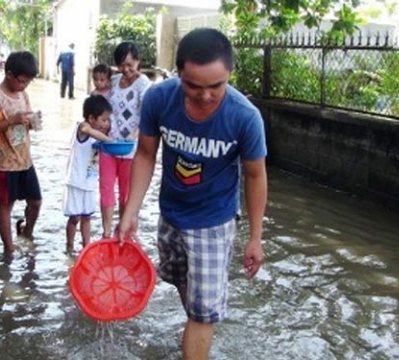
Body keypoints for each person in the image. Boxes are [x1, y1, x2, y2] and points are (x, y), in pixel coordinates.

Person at [116, 28, 268, 359]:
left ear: (230, 74)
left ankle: (199, 331)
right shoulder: (158, 99)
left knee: (201, 314)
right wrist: (130, 212)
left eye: (216, 86)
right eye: (193, 85)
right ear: (178, 72)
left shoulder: (245, 117)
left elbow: (255, 175)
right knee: (181, 284)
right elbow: (145, 154)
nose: (205, 96)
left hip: (214, 221)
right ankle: (199, 331)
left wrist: (255, 237)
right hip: (170, 213)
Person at [0, 51, 42, 254]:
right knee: (6, 204)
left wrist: (32, 121)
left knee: (36, 202)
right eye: (22, 81)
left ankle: (26, 232)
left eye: (28, 82)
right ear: (9, 74)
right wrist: (10, 121)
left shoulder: (23, 94)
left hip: (24, 159)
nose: (24, 86)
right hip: (3, 163)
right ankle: (9, 249)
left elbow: (24, 120)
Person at [99, 41, 151, 238]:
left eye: (130, 64)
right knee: (105, 190)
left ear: (138, 61)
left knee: (126, 194)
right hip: (108, 144)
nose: (126, 69)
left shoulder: (144, 85)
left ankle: (124, 231)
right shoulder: (113, 81)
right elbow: (98, 103)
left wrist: (133, 135)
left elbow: (148, 116)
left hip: (131, 148)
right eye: (121, 65)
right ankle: (106, 234)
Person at [63, 95, 113, 252]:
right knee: (74, 218)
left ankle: (86, 247)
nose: (106, 124)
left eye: (108, 120)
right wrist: (109, 140)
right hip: (76, 181)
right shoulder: (83, 127)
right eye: (104, 120)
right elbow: (86, 130)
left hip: (89, 183)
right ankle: (70, 246)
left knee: (87, 217)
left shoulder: (97, 133)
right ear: (91, 118)